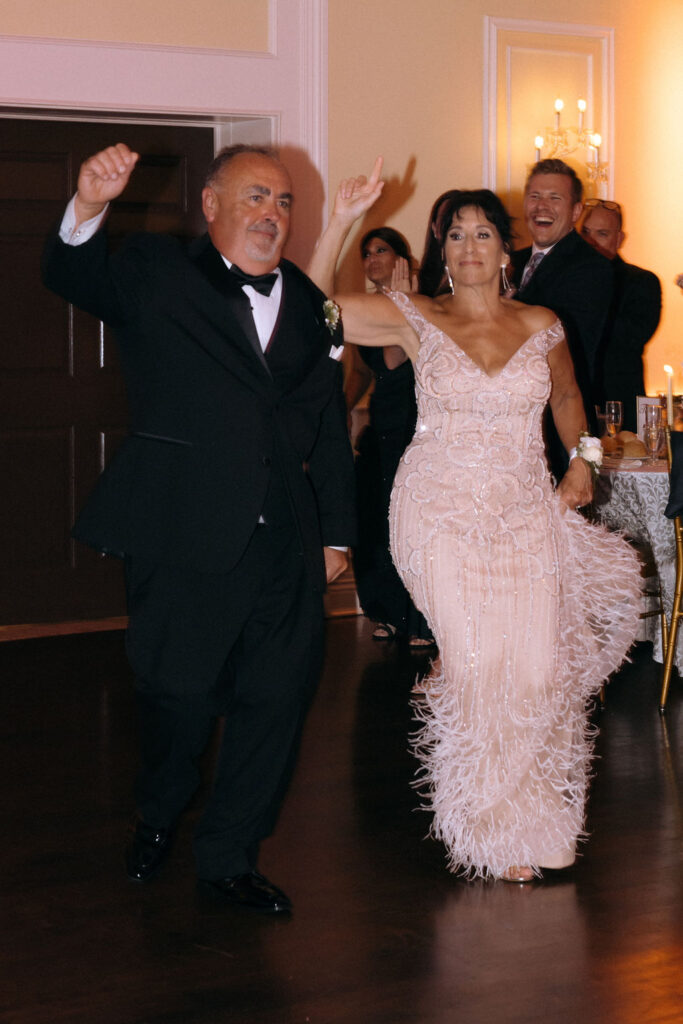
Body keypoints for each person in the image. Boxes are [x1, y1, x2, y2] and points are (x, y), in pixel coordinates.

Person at [42, 142, 356, 914]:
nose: (271, 215)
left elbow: (325, 429)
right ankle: (158, 814)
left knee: (274, 704)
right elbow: (70, 273)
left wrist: (337, 537)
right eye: (255, 197)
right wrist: (87, 206)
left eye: (283, 202)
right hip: (184, 536)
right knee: (176, 700)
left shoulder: (314, 306)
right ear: (210, 205)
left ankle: (227, 857)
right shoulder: (157, 273)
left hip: (284, 543)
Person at [308, 160, 640, 882]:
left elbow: (566, 399)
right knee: (476, 661)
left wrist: (581, 461)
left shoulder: (541, 323)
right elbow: (314, 309)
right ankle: (486, 827)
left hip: (525, 509)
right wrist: (340, 219)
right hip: (436, 510)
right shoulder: (414, 314)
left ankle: (538, 816)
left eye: (482, 232)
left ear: (504, 246)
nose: (467, 246)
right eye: (453, 234)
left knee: (535, 666)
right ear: (442, 250)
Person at [345, 227, 434, 647]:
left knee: (410, 521)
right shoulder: (364, 308)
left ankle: (420, 621)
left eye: (382, 250)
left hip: (414, 424)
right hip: (381, 424)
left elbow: (395, 361)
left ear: (403, 258)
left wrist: (402, 304)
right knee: (375, 520)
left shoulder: (421, 303)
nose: (372, 258)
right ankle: (387, 611)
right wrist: (338, 416)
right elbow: (364, 371)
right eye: (367, 253)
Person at [511, 159, 614, 476]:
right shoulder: (508, 263)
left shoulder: (591, 268)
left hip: (555, 433)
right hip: (508, 427)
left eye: (555, 198)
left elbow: (563, 342)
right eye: (534, 196)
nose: (541, 206)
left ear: (575, 211)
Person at [580, 199, 661, 432]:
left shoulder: (641, 282)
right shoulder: (563, 279)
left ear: (619, 239)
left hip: (620, 408)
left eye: (601, 234)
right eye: (585, 232)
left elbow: (630, 339)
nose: (591, 242)